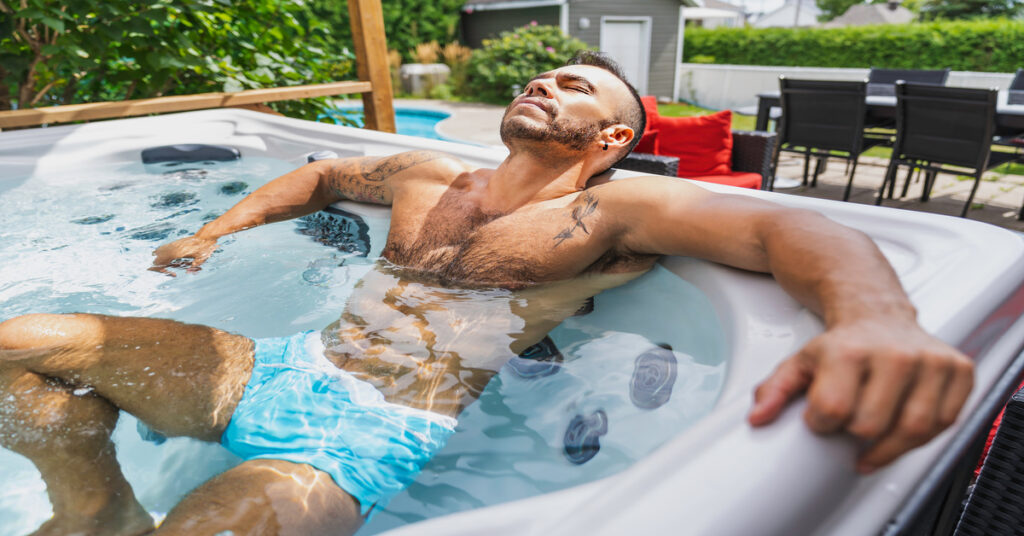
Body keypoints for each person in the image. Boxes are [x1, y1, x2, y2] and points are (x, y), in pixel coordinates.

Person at [0, 51, 972, 536]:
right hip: (282, 368)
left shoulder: (607, 212)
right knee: (15, 345)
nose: (550, 82)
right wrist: (217, 228)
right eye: (548, 73)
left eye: (580, 88)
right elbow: (320, 175)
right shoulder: (425, 175)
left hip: (366, 433)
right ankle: (97, 512)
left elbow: (782, 228)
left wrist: (875, 314)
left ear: (611, 139)